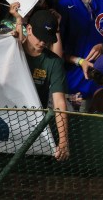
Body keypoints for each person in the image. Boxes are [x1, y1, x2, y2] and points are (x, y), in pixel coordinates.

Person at [20, 9, 69, 161]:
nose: (42, 42)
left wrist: (63, 141)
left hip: (34, 127)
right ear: (28, 29)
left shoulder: (54, 62)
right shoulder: (12, 50)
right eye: (39, 36)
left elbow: (59, 102)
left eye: (46, 39)